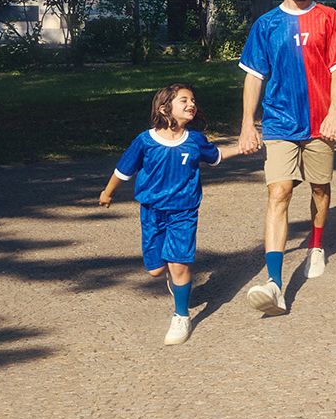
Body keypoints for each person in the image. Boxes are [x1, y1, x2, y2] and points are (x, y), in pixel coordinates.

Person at [231, 0, 336, 315]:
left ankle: (316, 244)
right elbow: (254, 76)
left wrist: (335, 114)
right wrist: (246, 125)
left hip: (320, 123)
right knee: (279, 193)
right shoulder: (266, 25)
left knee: (320, 188)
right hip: (280, 122)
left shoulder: (329, 18)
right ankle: (275, 283)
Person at [99, 84, 247, 345]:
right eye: (184, 100)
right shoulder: (145, 141)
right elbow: (123, 170)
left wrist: (243, 147)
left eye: (193, 100)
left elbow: (216, 156)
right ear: (165, 108)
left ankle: (181, 315)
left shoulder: (195, 140)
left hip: (184, 212)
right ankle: (173, 276)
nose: (191, 104)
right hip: (152, 212)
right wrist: (108, 192)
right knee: (156, 270)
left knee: (179, 263)